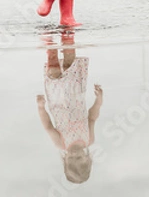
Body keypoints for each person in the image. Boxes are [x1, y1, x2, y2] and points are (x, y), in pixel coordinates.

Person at [36, 30, 103, 184]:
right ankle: (67, 35)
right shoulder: (89, 139)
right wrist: (99, 101)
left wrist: (41, 107)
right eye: (78, 157)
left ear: (65, 160)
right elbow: (92, 117)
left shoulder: (61, 143)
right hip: (76, 93)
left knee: (53, 66)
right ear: (87, 157)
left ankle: (49, 40)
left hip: (56, 98)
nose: (74, 154)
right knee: (70, 63)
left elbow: (48, 126)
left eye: (71, 158)